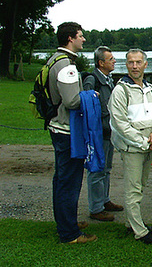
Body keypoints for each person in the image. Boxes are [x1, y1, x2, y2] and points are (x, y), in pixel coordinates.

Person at [108, 49, 152, 244]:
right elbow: (121, 125)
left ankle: (131, 223)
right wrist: (144, 142)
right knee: (133, 189)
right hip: (133, 148)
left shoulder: (150, 89)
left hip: (149, 146)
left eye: (138, 62)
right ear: (126, 65)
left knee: (140, 186)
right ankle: (140, 231)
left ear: (145, 64)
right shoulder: (121, 90)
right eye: (130, 62)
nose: (134, 66)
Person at [47, 22, 97, 244]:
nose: (83, 39)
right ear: (70, 39)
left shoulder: (53, 60)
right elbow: (72, 101)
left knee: (61, 180)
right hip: (67, 131)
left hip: (57, 127)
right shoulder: (66, 66)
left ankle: (66, 222)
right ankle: (69, 233)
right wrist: (89, 94)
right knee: (69, 181)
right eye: (80, 35)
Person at [83, 46, 123, 222]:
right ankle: (96, 208)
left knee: (106, 169)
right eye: (111, 59)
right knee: (96, 170)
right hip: (98, 133)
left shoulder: (108, 79)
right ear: (101, 63)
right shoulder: (93, 80)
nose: (114, 61)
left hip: (109, 132)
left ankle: (104, 201)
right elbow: (87, 104)